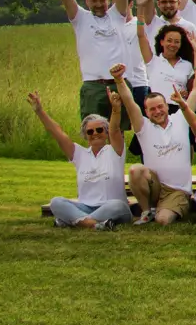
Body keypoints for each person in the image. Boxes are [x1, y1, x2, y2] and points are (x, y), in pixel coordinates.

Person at [54, 0, 133, 128]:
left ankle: (116, 158)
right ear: (87, 1)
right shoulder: (80, 18)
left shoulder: (117, 14)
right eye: (94, 1)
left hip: (118, 83)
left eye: (102, 0)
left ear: (108, 1)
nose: (99, 4)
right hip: (93, 85)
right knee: (95, 132)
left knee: (117, 131)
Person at [32, 89, 131, 229]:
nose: (95, 134)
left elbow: (115, 129)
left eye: (100, 130)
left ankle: (72, 220)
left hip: (112, 207)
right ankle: (94, 224)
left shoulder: (115, 150)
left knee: (117, 205)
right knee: (56, 202)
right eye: (90, 131)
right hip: (85, 207)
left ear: (106, 132)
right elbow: (58, 133)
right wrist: (40, 111)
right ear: (85, 135)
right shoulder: (79, 153)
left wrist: (116, 109)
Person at [113, 65, 196, 226]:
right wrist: (119, 79)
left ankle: (169, 209)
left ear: (166, 106)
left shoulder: (181, 118)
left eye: (160, 107)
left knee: (163, 221)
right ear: (146, 111)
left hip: (177, 190)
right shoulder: (143, 127)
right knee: (135, 170)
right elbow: (129, 102)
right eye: (152, 109)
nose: (157, 111)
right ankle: (146, 211)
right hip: (155, 186)